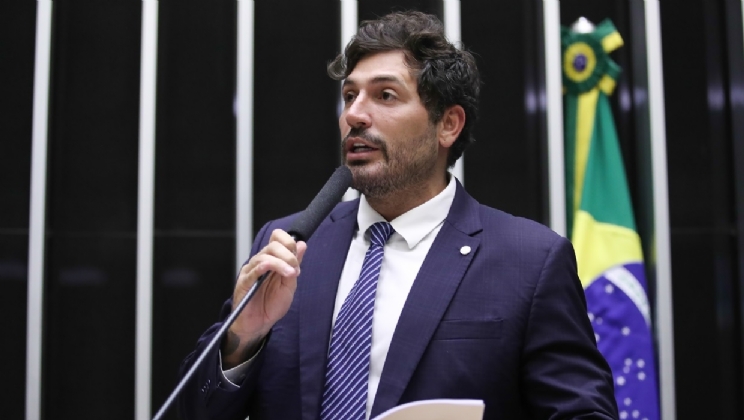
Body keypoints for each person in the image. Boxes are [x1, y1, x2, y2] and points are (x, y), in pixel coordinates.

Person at [178, 11, 618, 420]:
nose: (354, 114)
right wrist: (242, 340)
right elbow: (192, 411)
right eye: (350, 95)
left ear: (448, 124)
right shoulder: (288, 245)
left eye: (385, 95)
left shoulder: (530, 261)